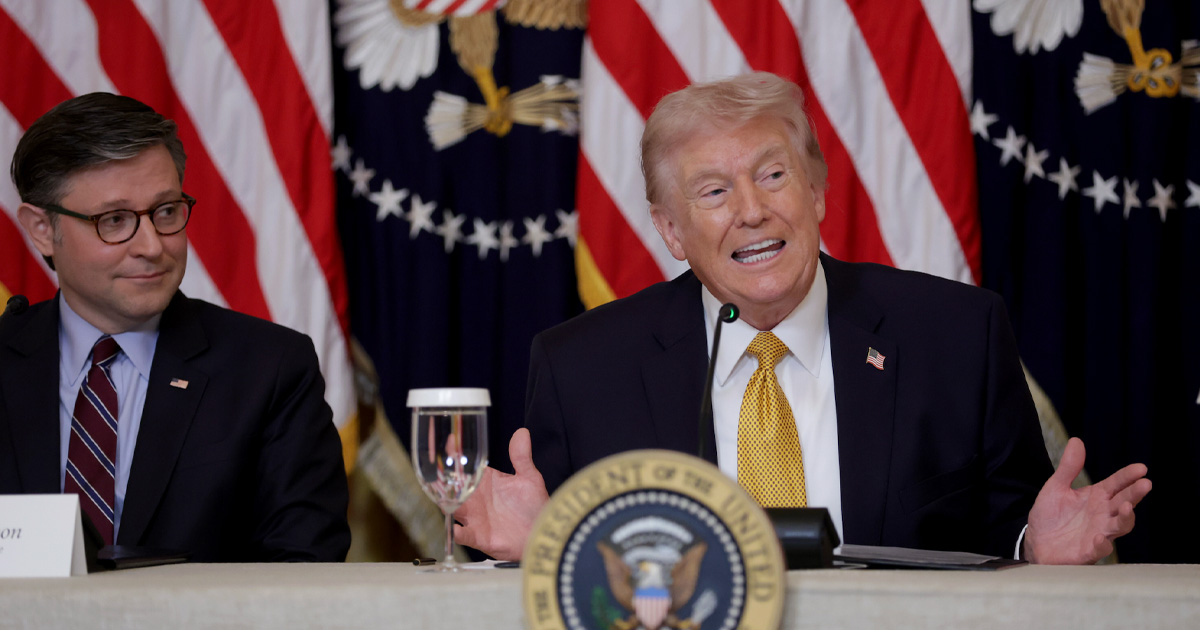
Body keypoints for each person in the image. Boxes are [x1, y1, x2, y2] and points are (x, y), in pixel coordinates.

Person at [455, 72, 1151, 564]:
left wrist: (1038, 547)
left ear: (816, 192)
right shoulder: (584, 367)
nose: (752, 209)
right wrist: (538, 544)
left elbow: (1009, 532)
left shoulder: (955, 335)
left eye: (773, 174)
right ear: (671, 231)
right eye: (714, 190)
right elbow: (555, 567)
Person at [0, 93, 350, 562]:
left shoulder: (270, 369)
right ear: (42, 229)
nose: (151, 246)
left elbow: (304, 566)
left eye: (166, 211)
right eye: (115, 220)